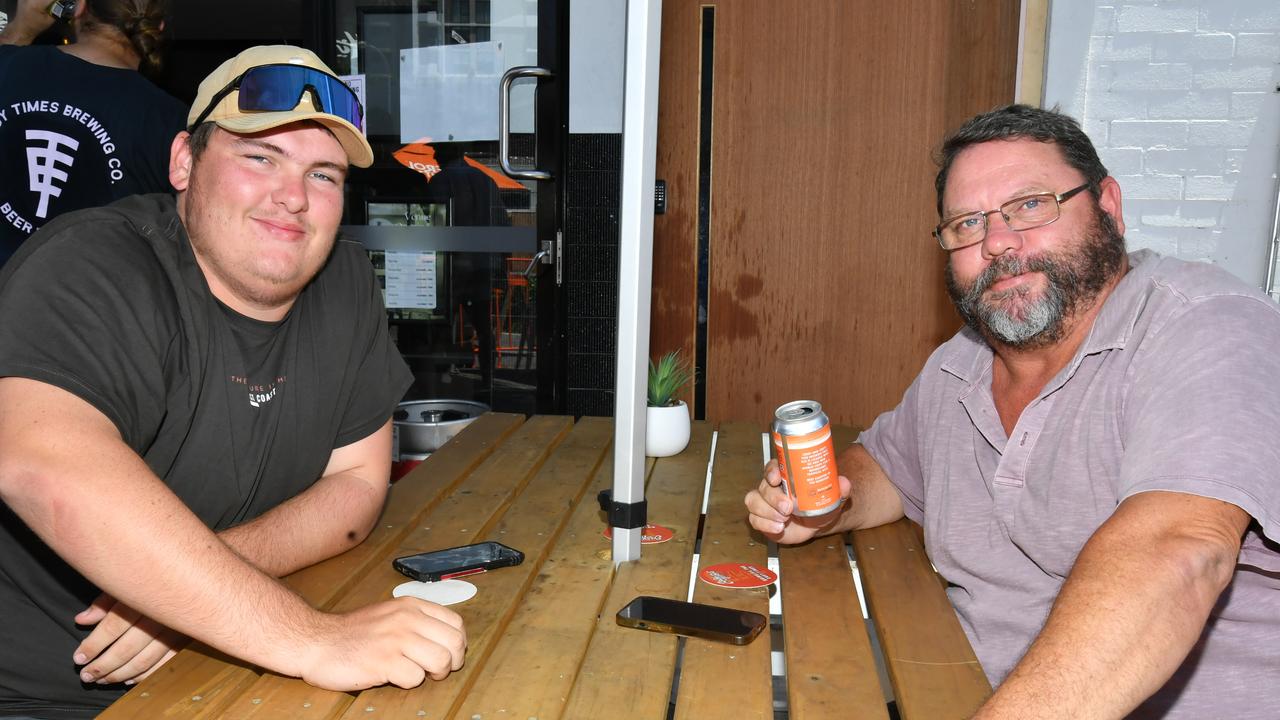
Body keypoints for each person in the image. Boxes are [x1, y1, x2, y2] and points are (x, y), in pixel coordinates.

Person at [745, 105, 1280, 719]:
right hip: (959, 687)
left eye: (1030, 205)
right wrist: (824, 505)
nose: (998, 242)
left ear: (1108, 205)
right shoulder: (962, 361)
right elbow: (887, 470)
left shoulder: (1205, 326)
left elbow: (1179, 550)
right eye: (967, 224)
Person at [0, 45, 465, 719]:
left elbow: (358, 487)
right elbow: (44, 466)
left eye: (324, 175)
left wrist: (185, 594)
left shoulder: (345, 285)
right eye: (260, 158)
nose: (294, 197)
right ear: (184, 161)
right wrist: (309, 638)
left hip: (227, 668)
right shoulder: (93, 264)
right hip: (42, 695)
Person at [0, 0, 185, 267]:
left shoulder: (9, 67)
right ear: (158, 27)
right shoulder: (170, 120)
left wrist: (21, 28)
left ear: (78, 8)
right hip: (86, 300)